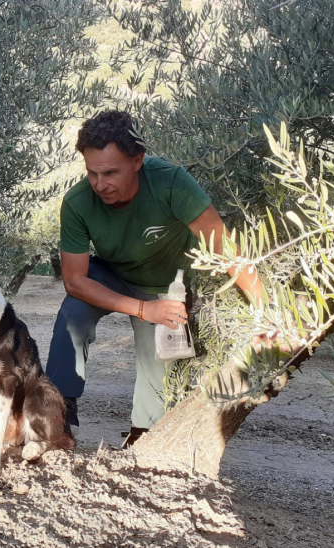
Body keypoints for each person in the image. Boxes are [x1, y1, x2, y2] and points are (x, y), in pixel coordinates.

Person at [45, 110, 266, 449]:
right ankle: (57, 416)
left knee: (158, 357)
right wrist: (141, 308)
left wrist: (267, 312)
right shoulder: (77, 203)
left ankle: (142, 440)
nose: (100, 184)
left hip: (169, 285)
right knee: (73, 312)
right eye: (92, 173)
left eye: (110, 172)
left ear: (138, 160)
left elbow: (227, 252)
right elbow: (75, 281)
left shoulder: (171, 182)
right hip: (112, 275)